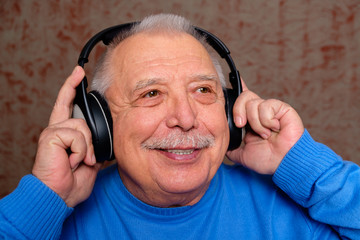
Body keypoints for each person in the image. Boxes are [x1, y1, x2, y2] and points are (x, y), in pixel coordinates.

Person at [0, 13, 359, 240]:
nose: (185, 119)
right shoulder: (56, 221)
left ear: (231, 110)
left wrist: (307, 167)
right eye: (151, 93)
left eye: (203, 90)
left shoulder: (288, 214)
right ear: (99, 123)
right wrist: (46, 197)